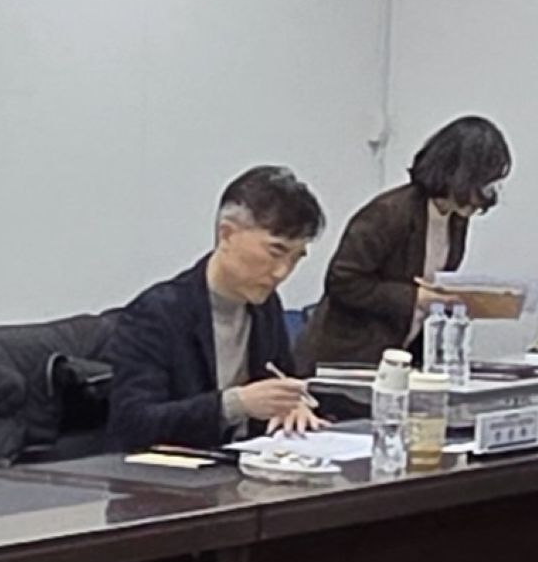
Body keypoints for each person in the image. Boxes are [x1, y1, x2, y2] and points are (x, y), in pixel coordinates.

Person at [101, 166, 325, 449]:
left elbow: (281, 380)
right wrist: (235, 404)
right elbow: (133, 423)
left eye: (296, 258)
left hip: (244, 461)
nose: (282, 272)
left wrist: (291, 406)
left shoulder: (265, 306)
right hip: (174, 468)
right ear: (227, 235)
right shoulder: (157, 313)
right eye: (275, 251)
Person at [301, 115, 515, 374]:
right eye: (482, 183)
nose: (488, 195)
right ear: (457, 173)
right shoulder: (388, 213)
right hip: (347, 358)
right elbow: (342, 281)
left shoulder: (456, 219)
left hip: (402, 357)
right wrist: (415, 298)